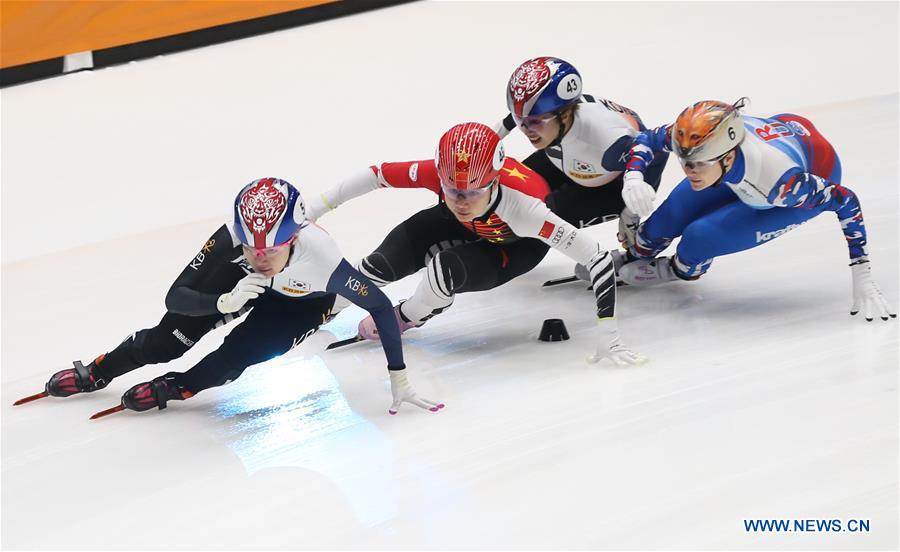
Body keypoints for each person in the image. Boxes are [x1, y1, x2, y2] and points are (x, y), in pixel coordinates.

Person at [21, 178, 442, 416]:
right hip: (237, 290)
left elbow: (380, 306)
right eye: (250, 249)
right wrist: (222, 304)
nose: (260, 258)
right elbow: (176, 297)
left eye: (271, 250)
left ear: (293, 237)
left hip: (300, 301)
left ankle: (178, 388)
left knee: (234, 358)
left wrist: (398, 375)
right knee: (166, 341)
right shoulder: (229, 240)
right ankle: (101, 369)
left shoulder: (325, 260)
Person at [307, 122, 644, 365]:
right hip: (464, 226)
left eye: (472, 192)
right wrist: (313, 210)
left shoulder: (527, 209)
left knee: (443, 271)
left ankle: (406, 317)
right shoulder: (441, 174)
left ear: (495, 179)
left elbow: (596, 257)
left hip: (511, 245)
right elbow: (375, 174)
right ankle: (319, 310)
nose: (462, 200)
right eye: (452, 190)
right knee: (376, 267)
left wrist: (608, 330)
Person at [616, 98, 895, 321]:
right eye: (684, 160)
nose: (689, 170)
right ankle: (637, 253)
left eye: (698, 163)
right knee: (663, 221)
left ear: (727, 157)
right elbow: (647, 139)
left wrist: (862, 270)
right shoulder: (695, 139)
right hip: (778, 141)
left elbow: (846, 201)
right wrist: (633, 178)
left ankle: (681, 270)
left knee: (699, 238)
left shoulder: (782, 184)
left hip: (810, 172)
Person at [495, 56, 669, 247]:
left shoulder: (605, 142)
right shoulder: (550, 117)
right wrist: (491, 138)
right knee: (505, 185)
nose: (527, 130)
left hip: (611, 188)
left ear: (565, 114)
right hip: (571, 158)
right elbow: (519, 116)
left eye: (535, 121)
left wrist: (630, 211)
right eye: (521, 121)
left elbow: (658, 151)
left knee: (536, 217)